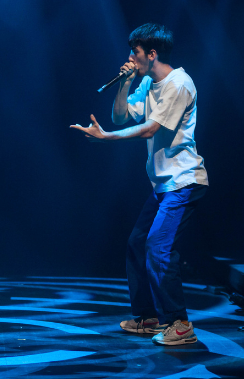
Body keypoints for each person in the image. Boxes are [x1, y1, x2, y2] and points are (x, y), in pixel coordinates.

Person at [70, 23, 208, 346]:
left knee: (158, 247)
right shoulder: (146, 82)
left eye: (135, 51)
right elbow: (120, 116)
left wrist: (105, 138)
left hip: (184, 182)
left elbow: (150, 128)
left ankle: (179, 323)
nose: (130, 56)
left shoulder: (179, 84)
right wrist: (126, 82)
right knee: (137, 243)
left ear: (152, 53)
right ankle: (147, 318)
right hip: (163, 185)